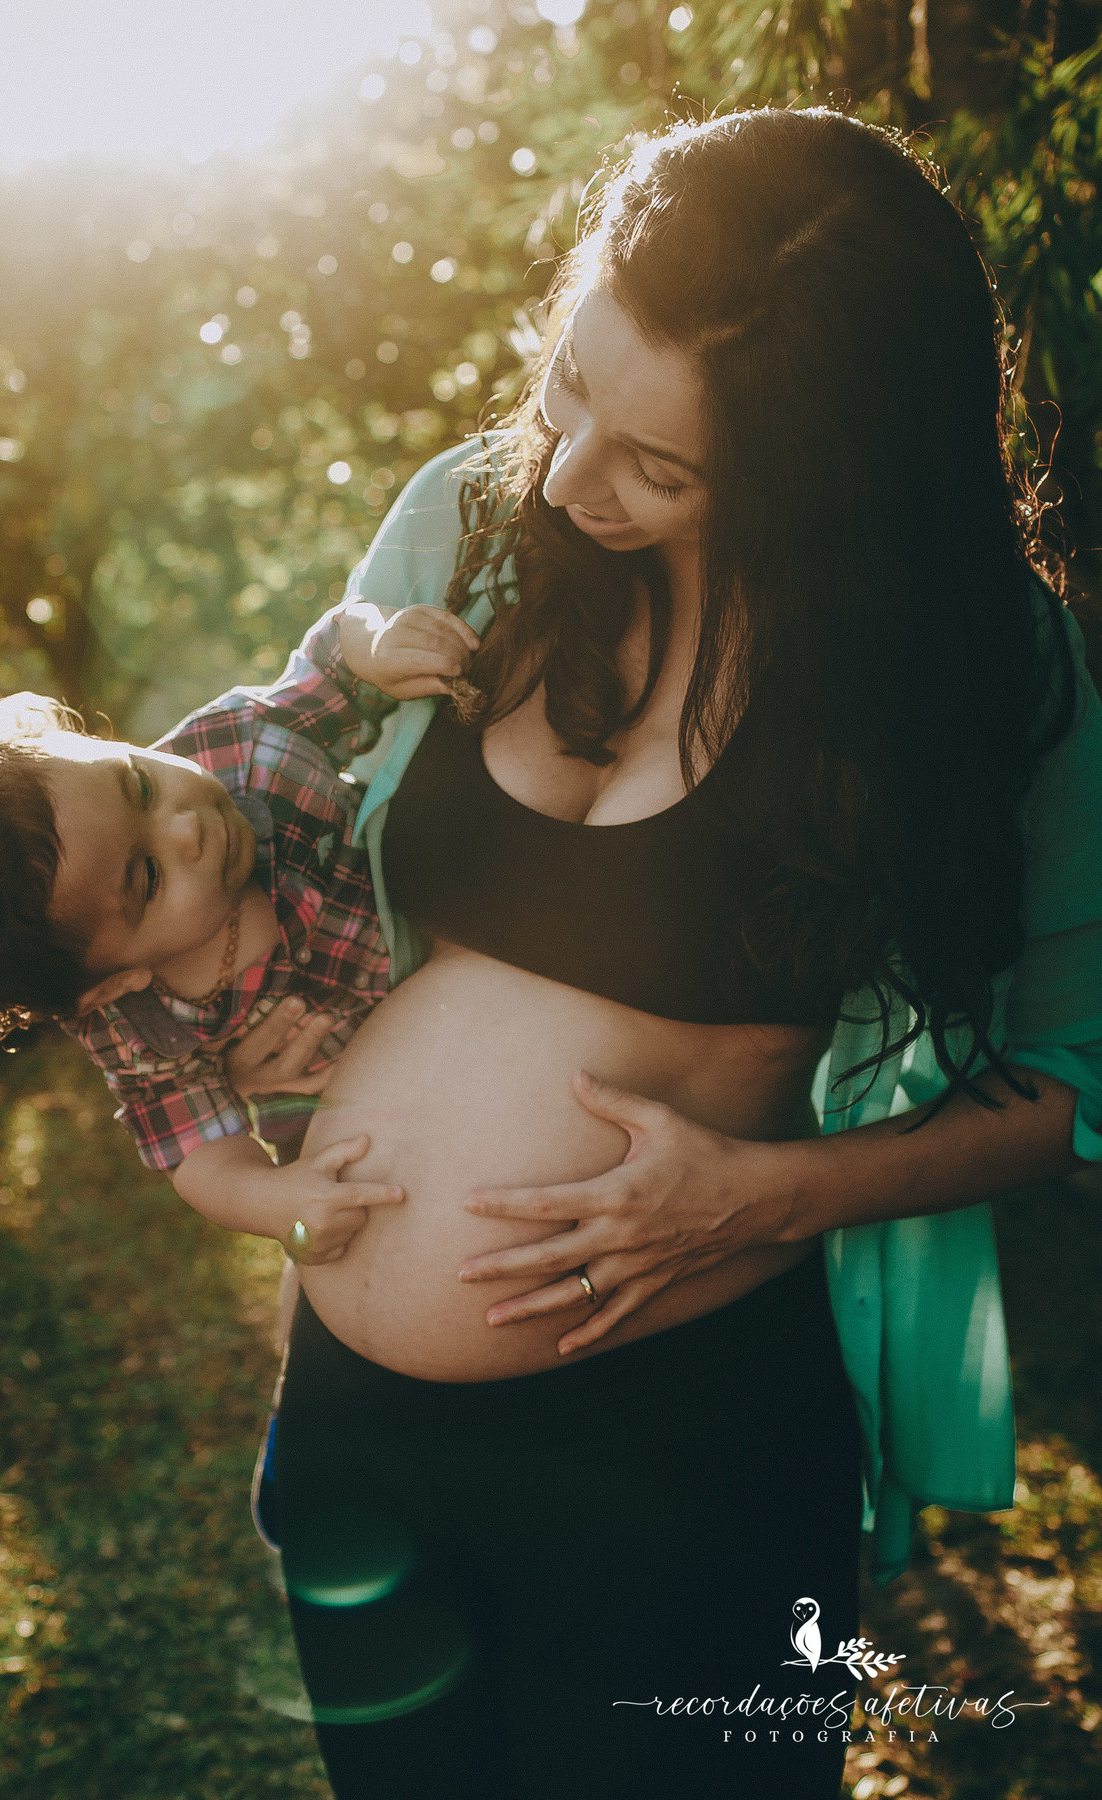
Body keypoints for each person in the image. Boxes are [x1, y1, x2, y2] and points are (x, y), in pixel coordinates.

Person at [230, 107, 1102, 1800]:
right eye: (571, 388)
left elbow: (1078, 1078)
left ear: (827, 477)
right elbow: (278, 797)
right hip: (354, 1430)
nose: (570, 477)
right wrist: (250, 998)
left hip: (680, 1444)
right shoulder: (472, 524)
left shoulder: (980, 671)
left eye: (663, 468)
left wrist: (764, 1194)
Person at [0, 614, 473, 1252]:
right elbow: (200, 1152)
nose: (186, 827)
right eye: (148, 876)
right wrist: (276, 1202)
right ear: (111, 982)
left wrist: (376, 646)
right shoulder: (140, 1029)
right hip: (374, 1097)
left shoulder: (239, 748)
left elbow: (331, 661)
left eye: (140, 784)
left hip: (465, 922)